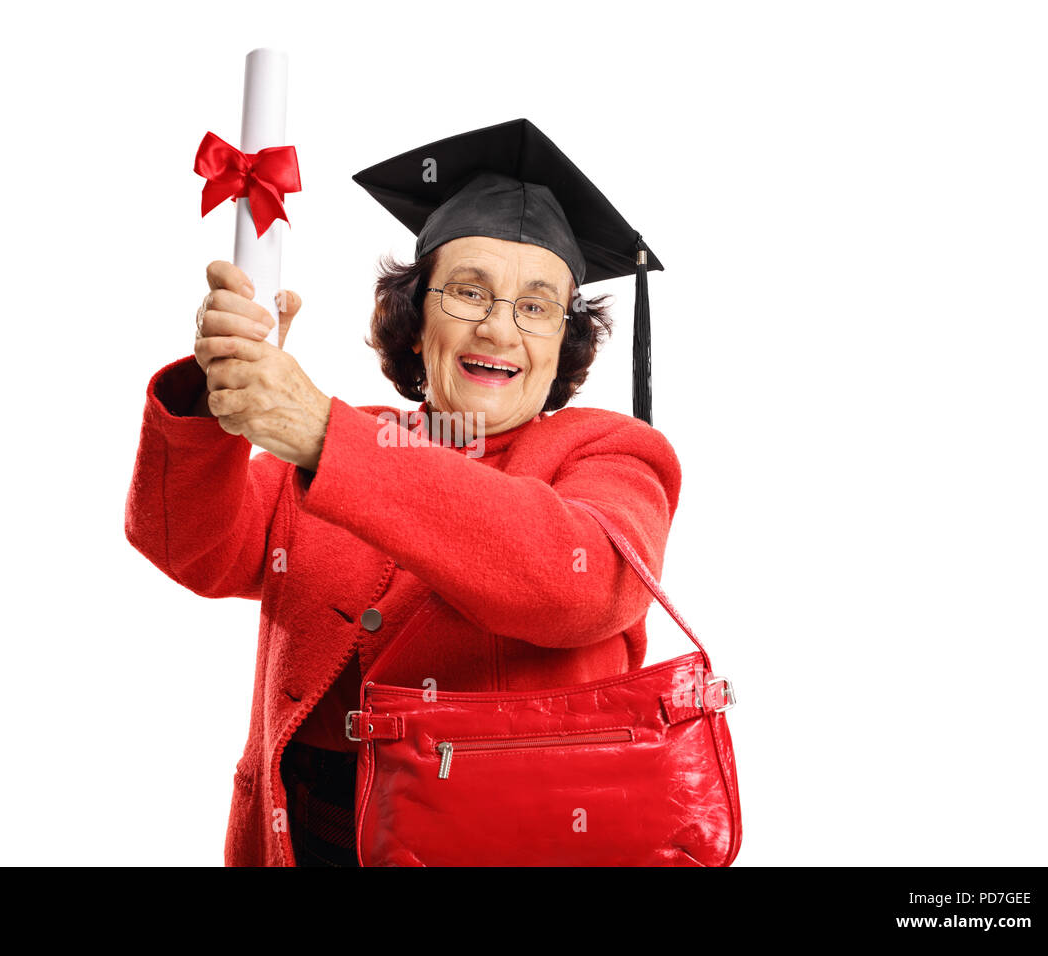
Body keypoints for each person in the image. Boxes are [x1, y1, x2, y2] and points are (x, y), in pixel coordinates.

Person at [124, 119, 681, 866]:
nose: (499, 326)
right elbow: (192, 545)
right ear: (416, 322)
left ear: (562, 344)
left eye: (537, 305)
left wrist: (325, 438)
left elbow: (581, 582)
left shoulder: (608, 452)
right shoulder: (345, 436)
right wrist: (218, 388)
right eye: (467, 291)